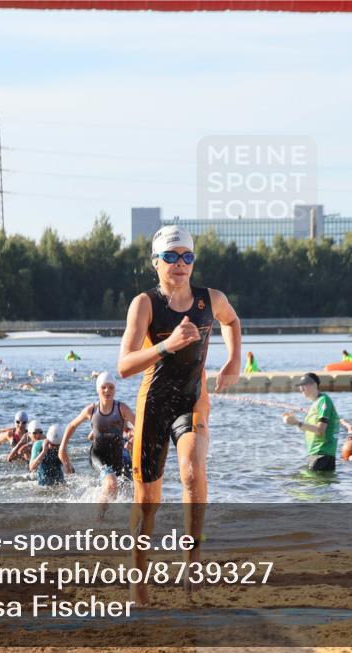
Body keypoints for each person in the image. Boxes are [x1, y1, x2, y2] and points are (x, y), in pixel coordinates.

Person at [118, 225, 241, 603]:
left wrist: (234, 360)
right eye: (171, 257)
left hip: (192, 401)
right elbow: (124, 366)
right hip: (154, 404)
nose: (180, 264)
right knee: (148, 503)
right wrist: (166, 346)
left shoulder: (210, 299)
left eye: (187, 256)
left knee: (192, 469)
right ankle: (139, 580)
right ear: (156, 263)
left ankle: (193, 558)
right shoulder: (145, 304)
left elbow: (232, 321)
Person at [58, 372, 137, 505]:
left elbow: (140, 426)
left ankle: (107, 513)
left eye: (111, 387)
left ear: (115, 389)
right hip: (98, 455)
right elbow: (72, 425)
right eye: (103, 387)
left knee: (124, 491)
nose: (107, 390)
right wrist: (62, 447)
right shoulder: (92, 410)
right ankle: (98, 516)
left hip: (118, 456)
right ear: (97, 389)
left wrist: (132, 440)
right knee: (111, 483)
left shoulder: (122, 408)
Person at [283, 372, 340, 472]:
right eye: (300, 387)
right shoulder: (315, 404)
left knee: (303, 481)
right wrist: (294, 421)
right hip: (315, 455)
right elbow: (309, 430)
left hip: (322, 455)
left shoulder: (324, 400)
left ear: (314, 385)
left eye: (303, 385)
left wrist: (298, 423)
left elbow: (320, 430)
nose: (301, 389)